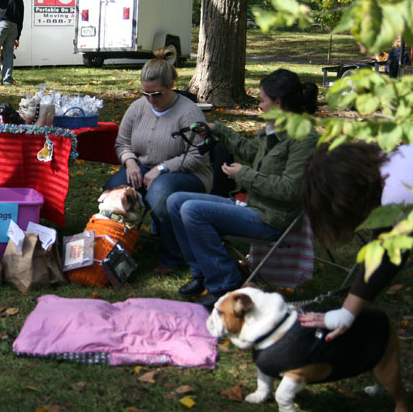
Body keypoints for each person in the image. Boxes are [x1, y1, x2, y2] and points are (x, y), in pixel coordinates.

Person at [167, 69, 319, 308]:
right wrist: (218, 129)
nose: (259, 105)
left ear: (278, 102)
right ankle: (202, 273)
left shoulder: (303, 138)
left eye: (261, 100)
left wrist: (244, 175)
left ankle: (225, 281)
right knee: (175, 201)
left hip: (272, 218)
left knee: (192, 210)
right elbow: (250, 151)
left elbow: (291, 190)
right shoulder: (275, 128)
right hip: (254, 207)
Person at [104, 56, 213, 273]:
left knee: (159, 194)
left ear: (171, 85)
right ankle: (116, 247)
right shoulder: (137, 108)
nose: (151, 99)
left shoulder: (188, 111)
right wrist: (130, 162)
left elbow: (197, 155)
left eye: (156, 94)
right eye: (146, 93)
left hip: (190, 173)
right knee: (114, 190)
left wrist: (162, 168)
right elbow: (122, 143)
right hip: (143, 167)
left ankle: (171, 257)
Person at [299, 142, 413, 340]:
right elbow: (385, 250)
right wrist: (347, 313)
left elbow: (390, 250)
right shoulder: (392, 164)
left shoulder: (397, 195)